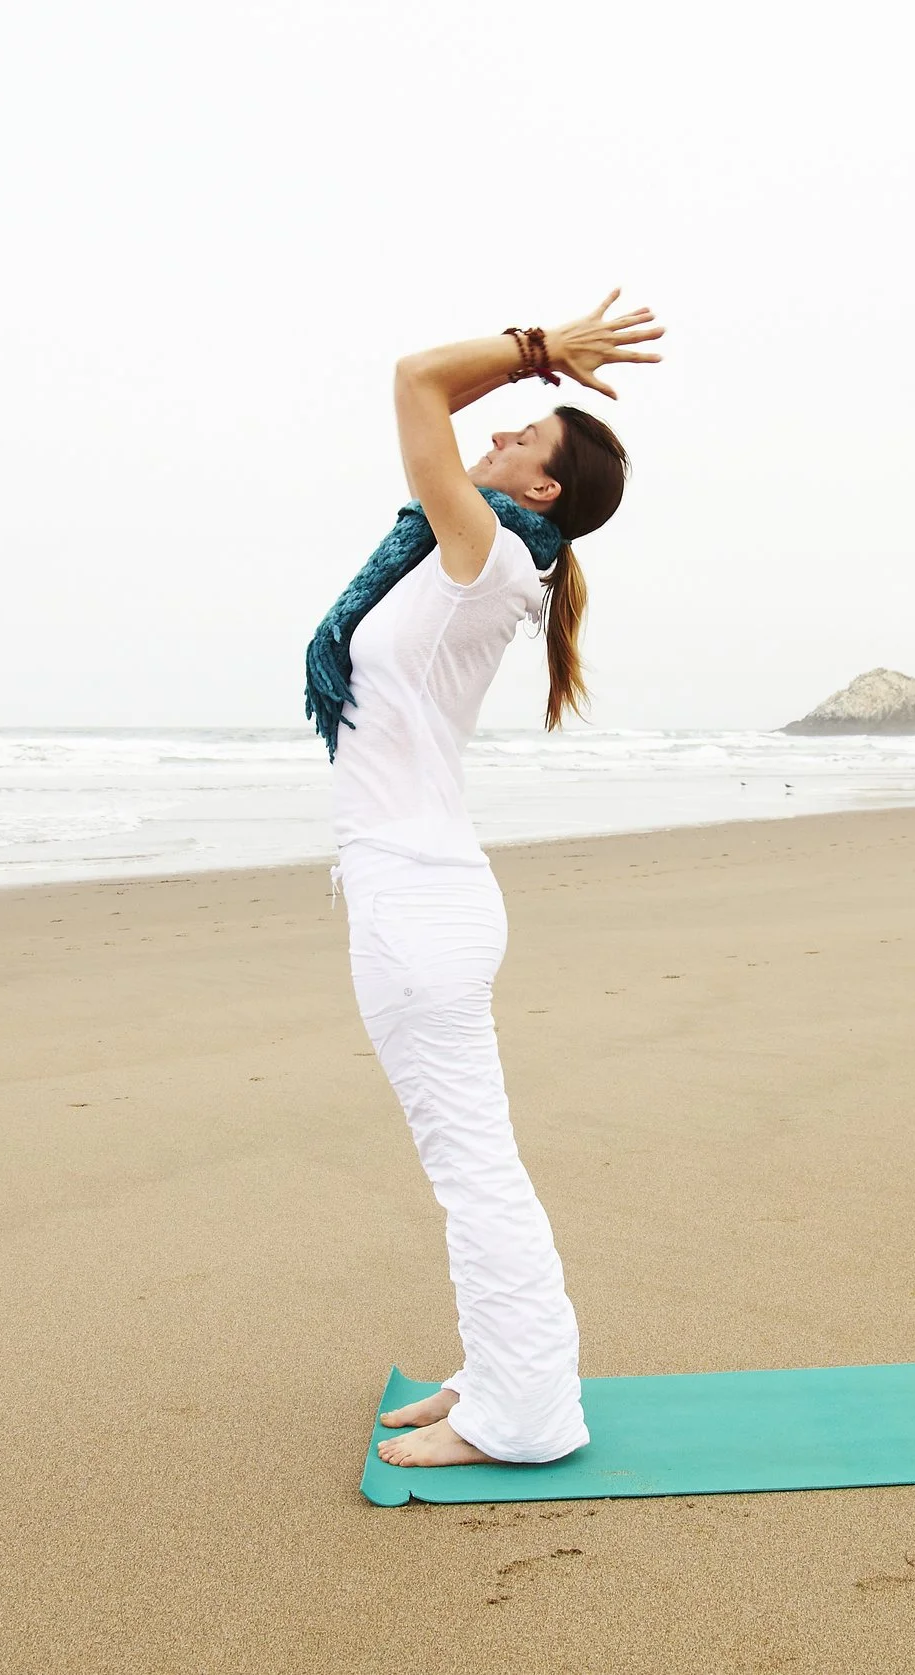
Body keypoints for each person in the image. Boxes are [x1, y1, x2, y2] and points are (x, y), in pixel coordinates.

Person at [302, 293, 662, 1466]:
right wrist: (532, 375)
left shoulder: (484, 552)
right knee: (471, 1156)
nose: (492, 437)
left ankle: (525, 1415)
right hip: (421, 891)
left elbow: (414, 380)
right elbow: (430, 405)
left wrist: (536, 352)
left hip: (417, 903)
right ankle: (495, 1375)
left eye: (517, 440)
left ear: (540, 490)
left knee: (473, 1166)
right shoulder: (476, 553)